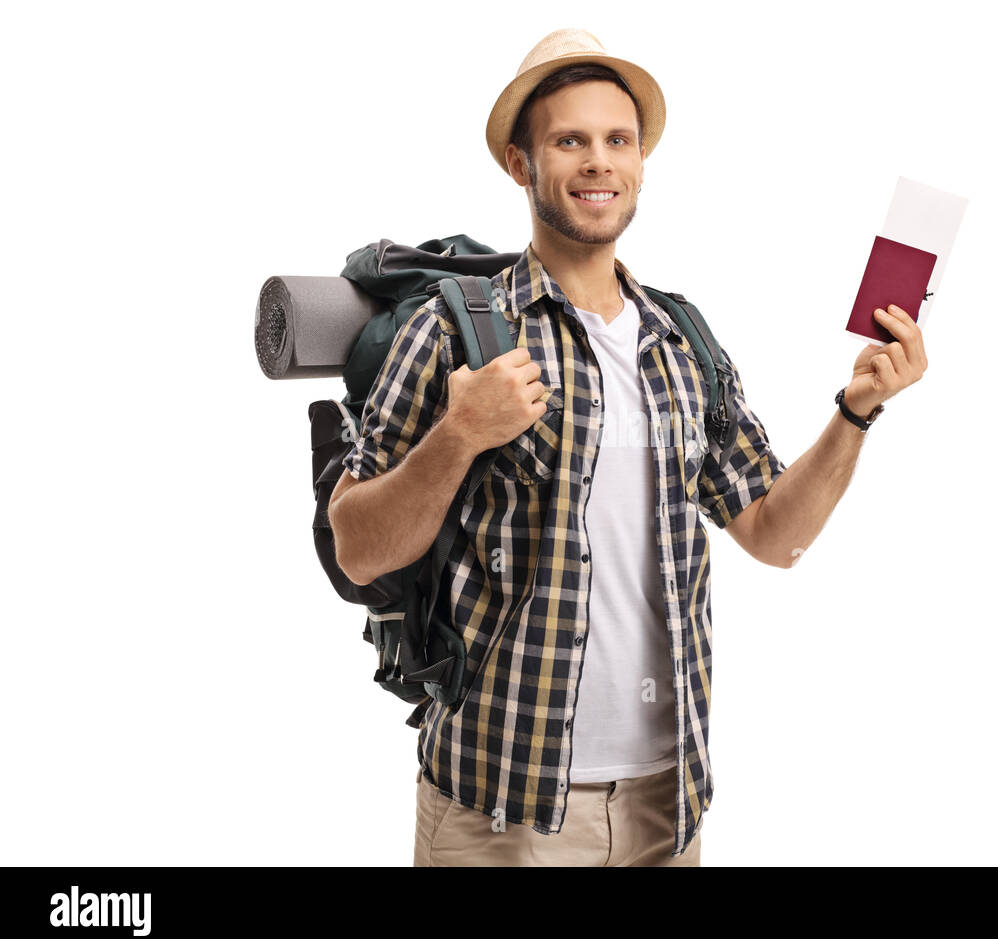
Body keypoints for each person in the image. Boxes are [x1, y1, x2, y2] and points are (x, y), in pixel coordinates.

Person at [327, 28, 927, 867]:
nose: (598, 162)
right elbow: (357, 547)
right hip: (500, 807)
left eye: (618, 141)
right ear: (520, 163)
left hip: (665, 803)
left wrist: (857, 411)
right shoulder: (456, 329)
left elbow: (772, 534)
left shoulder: (681, 341)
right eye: (569, 140)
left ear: (642, 162)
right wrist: (459, 435)